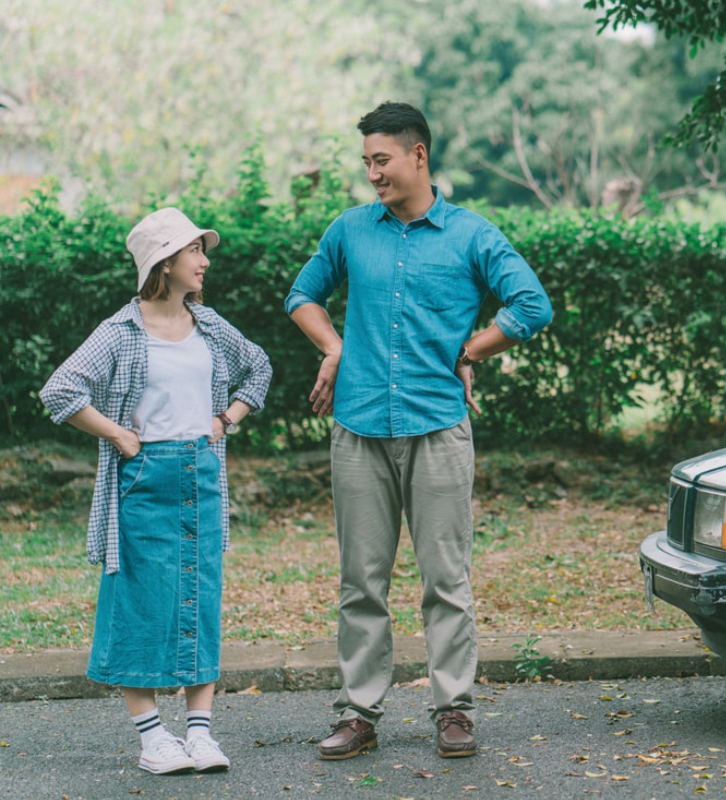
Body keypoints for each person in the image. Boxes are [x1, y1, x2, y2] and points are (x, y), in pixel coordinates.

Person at [286, 101, 552, 760]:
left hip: (438, 427)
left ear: (418, 156)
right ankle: (358, 713)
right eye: (367, 162)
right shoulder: (350, 230)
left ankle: (453, 710)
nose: (373, 173)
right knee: (361, 582)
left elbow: (531, 304)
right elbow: (302, 297)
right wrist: (335, 348)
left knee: (445, 579)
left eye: (382, 160)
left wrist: (472, 350)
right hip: (358, 429)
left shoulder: (470, 235)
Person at [40, 208, 272, 775]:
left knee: (201, 595)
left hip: (202, 471)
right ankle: (152, 738)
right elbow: (59, 390)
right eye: (195, 251)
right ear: (165, 262)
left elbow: (259, 368)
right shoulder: (121, 330)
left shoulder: (211, 325)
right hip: (145, 476)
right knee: (140, 603)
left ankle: (200, 734)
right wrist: (118, 433)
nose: (204, 261)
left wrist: (226, 420)